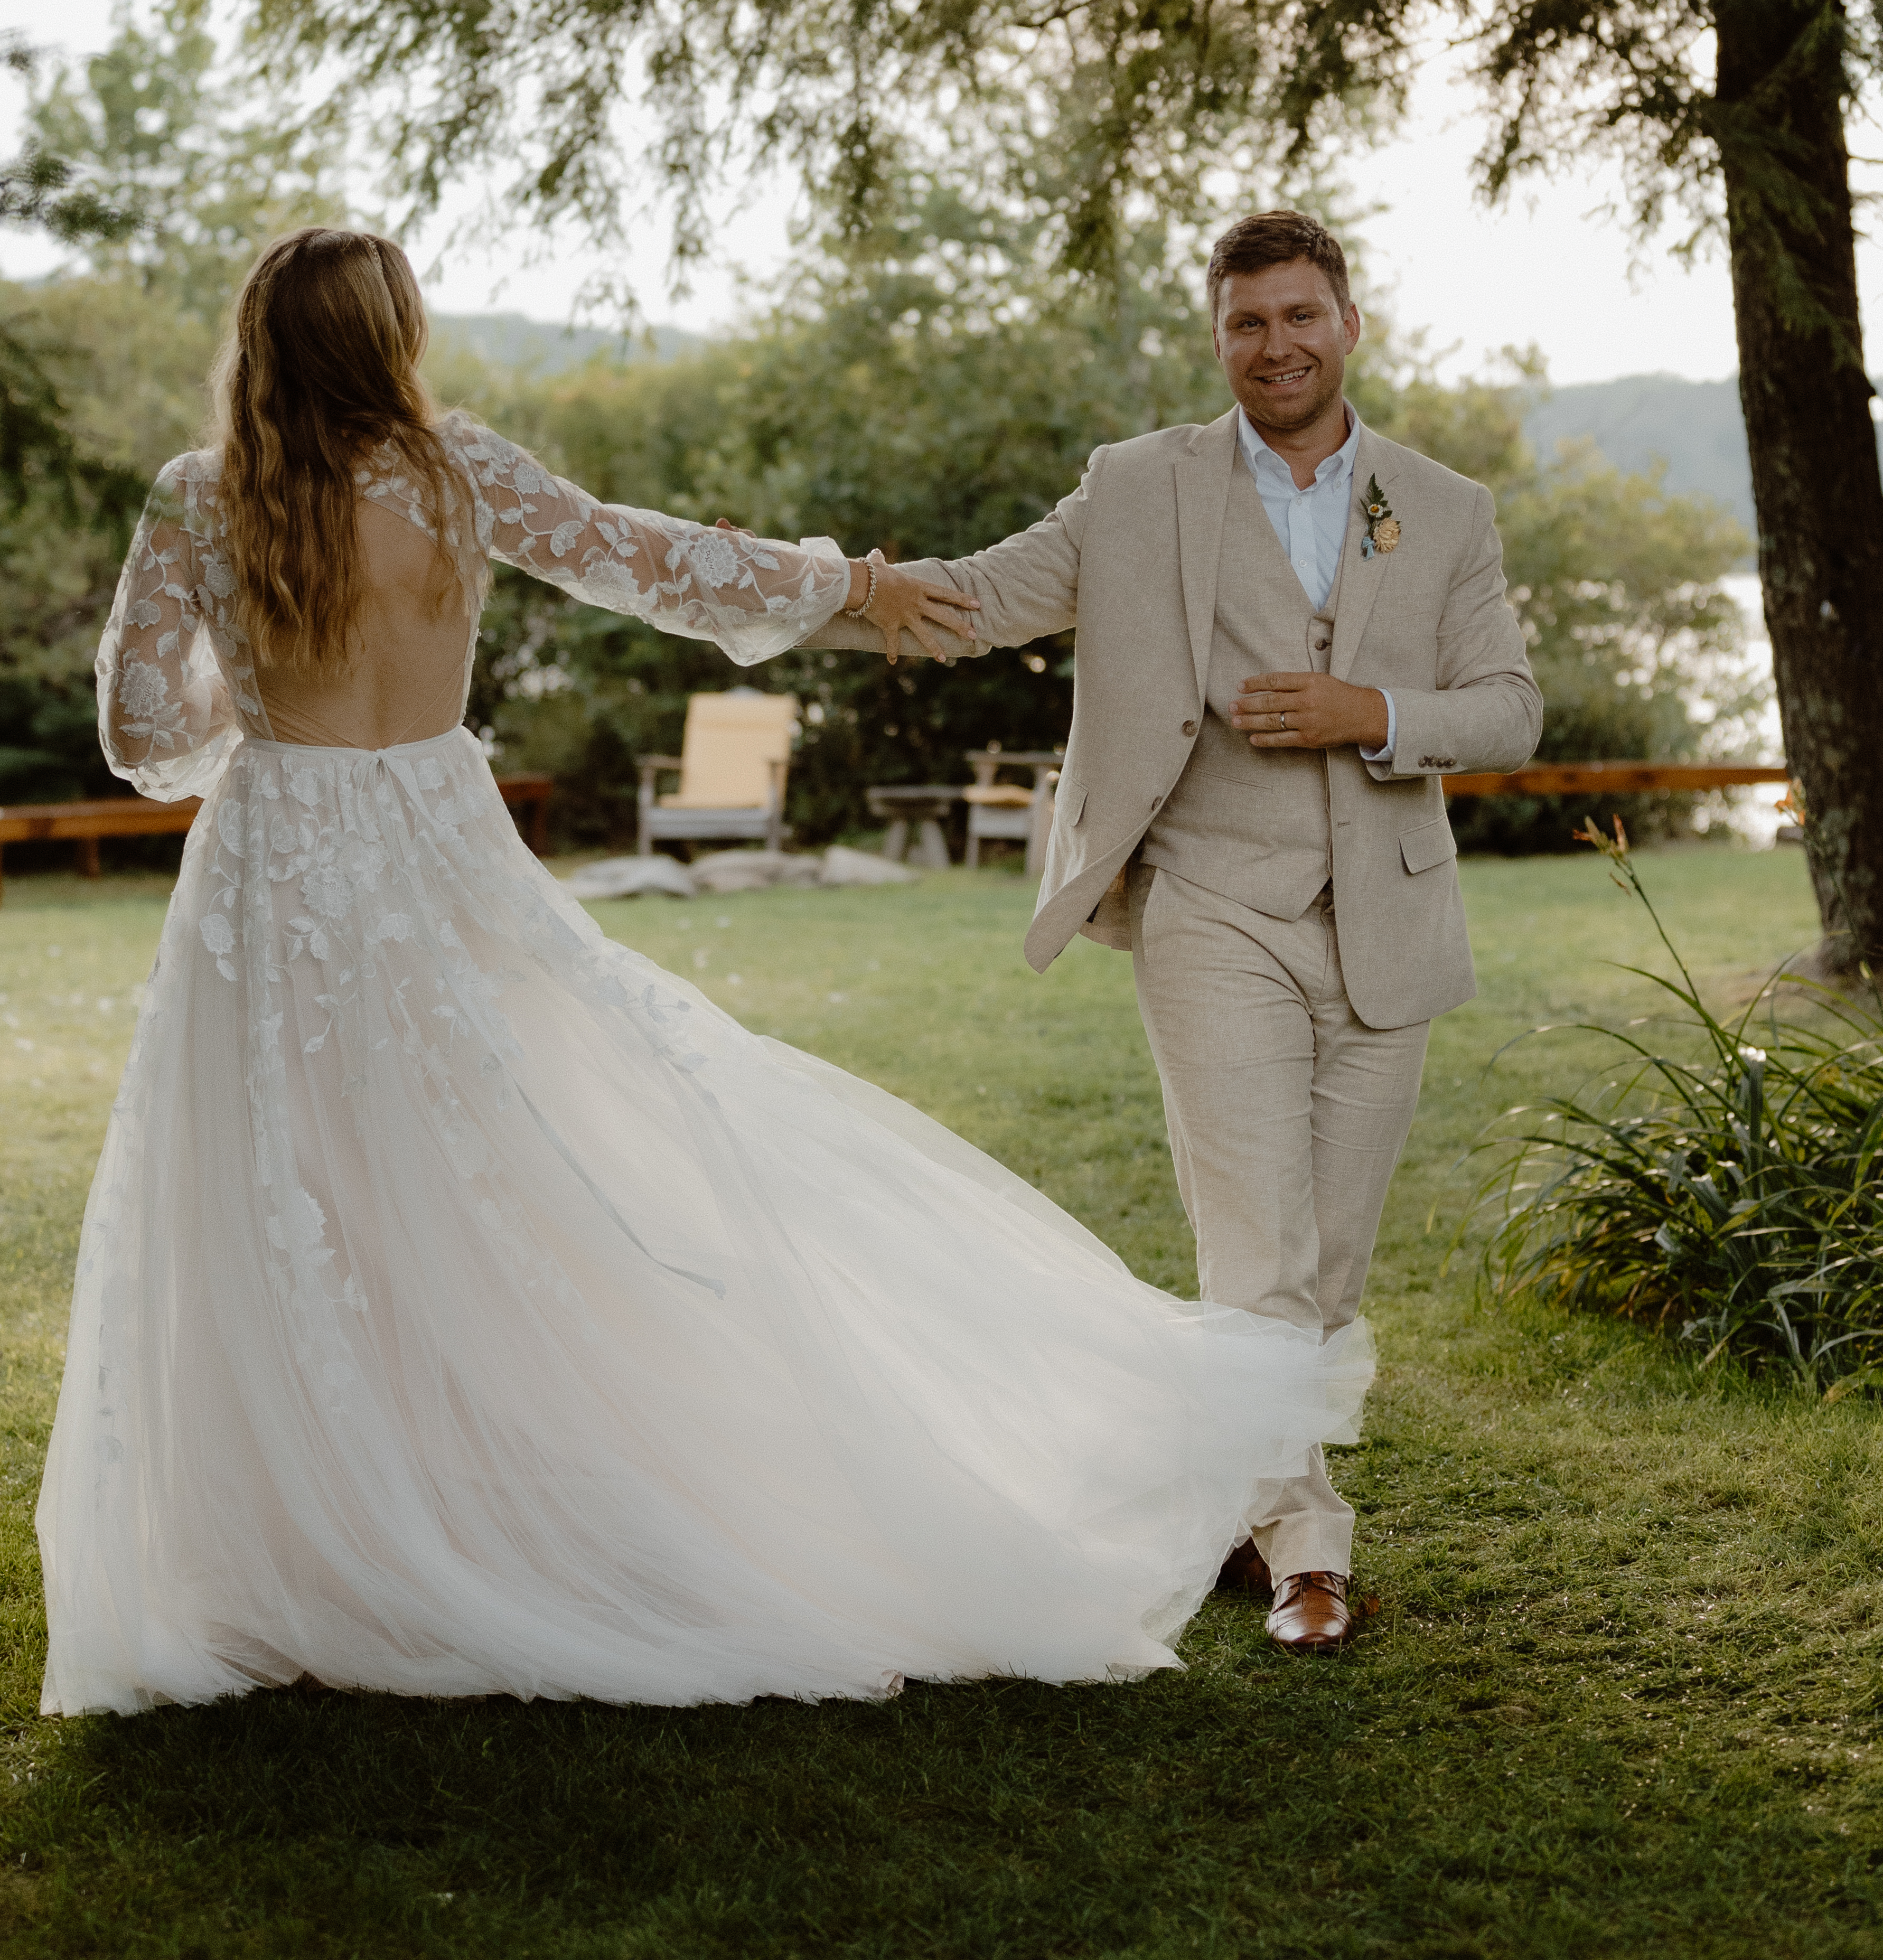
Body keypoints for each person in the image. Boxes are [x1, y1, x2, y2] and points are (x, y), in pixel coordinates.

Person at [38, 224, 1372, 1718]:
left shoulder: (200, 497)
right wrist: (846, 582)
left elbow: (144, 735)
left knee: (287, 1195)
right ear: (394, 333)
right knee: (518, 1167)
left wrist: (262, 700)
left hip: (275, 870)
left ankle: (327, 1531)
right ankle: (456, 1506)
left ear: (257, 339)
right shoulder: (457, 472)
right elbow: (655, 559)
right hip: (434, 852)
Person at [805, 210, 1542, 1655]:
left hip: (1385, 915)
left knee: (1326, 1260)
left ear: (1350, 322)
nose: (1276, 344)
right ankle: (1307, 1548)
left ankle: (1225, 1494)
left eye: (1300, 315)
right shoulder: (1141, 488)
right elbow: (978, 600)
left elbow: (1510, 708)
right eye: (1247, 322)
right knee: (1260, 1242)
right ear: (1220, 338)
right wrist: (812, 588)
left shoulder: (1445, 508)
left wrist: (1372, 715)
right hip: (1210, 901)